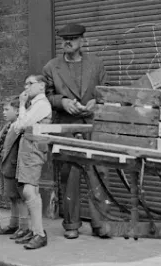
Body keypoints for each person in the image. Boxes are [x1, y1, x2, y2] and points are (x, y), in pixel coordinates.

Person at [43, 23, 111, 240]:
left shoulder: (96, 64)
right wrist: (63, 102)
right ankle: (71, 223)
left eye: (73, 38)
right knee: (70, 175)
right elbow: (47, 96)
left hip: (92, 126)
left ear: (83, 41)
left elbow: (105, 91)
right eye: (64, 39)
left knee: (98, 173)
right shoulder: (51, 67)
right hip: (67, 127)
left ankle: (100, 224)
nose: (67, 42)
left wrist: (94, 102)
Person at [0, 74, 53, 249]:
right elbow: (18, 125)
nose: (26, 87)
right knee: (31, 191)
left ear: (41, 86)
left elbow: (21, 125)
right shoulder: (34, 105)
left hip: (33, 150)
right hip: (28, 150)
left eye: (30, 84)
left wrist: (21, 105)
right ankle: (34, 230)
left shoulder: (41, 105)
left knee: (29, 192)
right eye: (25, 84)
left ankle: (39, 234)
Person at [0, 98, 26, 238]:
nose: (3, 112)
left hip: (14, 167)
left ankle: (24, 227)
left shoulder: (20, 128)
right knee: (12, 197)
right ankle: (13, 225)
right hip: (4, 166)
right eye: (3, 109)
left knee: (20, 198)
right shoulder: (7, 125)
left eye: (7, 109)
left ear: (17, 111)